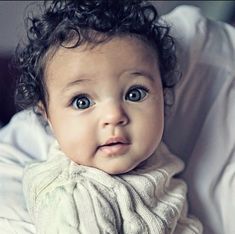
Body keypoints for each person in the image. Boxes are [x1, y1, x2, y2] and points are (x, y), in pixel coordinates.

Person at [14, 0, 202, 233]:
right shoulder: (75, 199)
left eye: (135, 94)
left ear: (163, 99)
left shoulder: (157, 158)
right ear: (48, 117)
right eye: (82, 101)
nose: (114, 116)